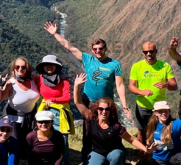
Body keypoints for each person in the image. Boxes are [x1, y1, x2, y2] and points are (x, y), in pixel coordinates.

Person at [43, 21, 131, 165]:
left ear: (105, 49)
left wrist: (125, 105)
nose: (97, 51)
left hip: (107, 103)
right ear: (92, 50)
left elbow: (120, 85)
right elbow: (69, 47)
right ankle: (87, 159)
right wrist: (55, 34)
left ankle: (115, 155)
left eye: (100, 48)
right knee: (88, 132)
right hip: (89, 101)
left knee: (112, 129)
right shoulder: (88, 59)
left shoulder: (114, 64)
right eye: (95, 49)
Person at [73, 73, 151, 165]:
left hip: (114, 151)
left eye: (107, 109)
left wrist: (146, 149)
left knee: (116, 156)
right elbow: (78, 102)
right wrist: (76, 85)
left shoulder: (116, 126)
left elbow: (131, 140)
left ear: (111, 111)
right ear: (97, 109)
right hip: (98, 152)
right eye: (101, 109)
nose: (104, 111)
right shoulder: (91, 118)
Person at [129, 41, 178, 147]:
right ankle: (143, 155)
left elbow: (174, 85)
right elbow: (131, 86)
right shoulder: (137, 67)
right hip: (143, 105)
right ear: (142, 53)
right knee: (141, 131)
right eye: (145, 52)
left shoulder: (164, 66)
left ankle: (161, 155)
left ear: (156, 51)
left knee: (161, 130)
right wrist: (141, 92)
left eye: (151, 51)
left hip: (160, 107)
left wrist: (165, 84)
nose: (148, 54)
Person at [0, 57, 41, 163]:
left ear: (28, 68)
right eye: (17, 67)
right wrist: (0, 87)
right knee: (15, 146)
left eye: (23, 67)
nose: (20, 69)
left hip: (30, 118)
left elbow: (46, 81)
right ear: (13, 68)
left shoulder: (34, 79)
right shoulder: (11, 83)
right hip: (13, 119)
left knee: (27, 145)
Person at [35, 54, 74, 165]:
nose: (49, 66)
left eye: (52, 64)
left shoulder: (63, 79)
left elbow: (67, 98)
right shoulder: (41, 78)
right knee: (46, 138)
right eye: (46, 65)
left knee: (62, 140)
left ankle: (64, 162)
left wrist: (52, 100)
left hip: (59, 113)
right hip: (45, 110)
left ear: (56, 66)